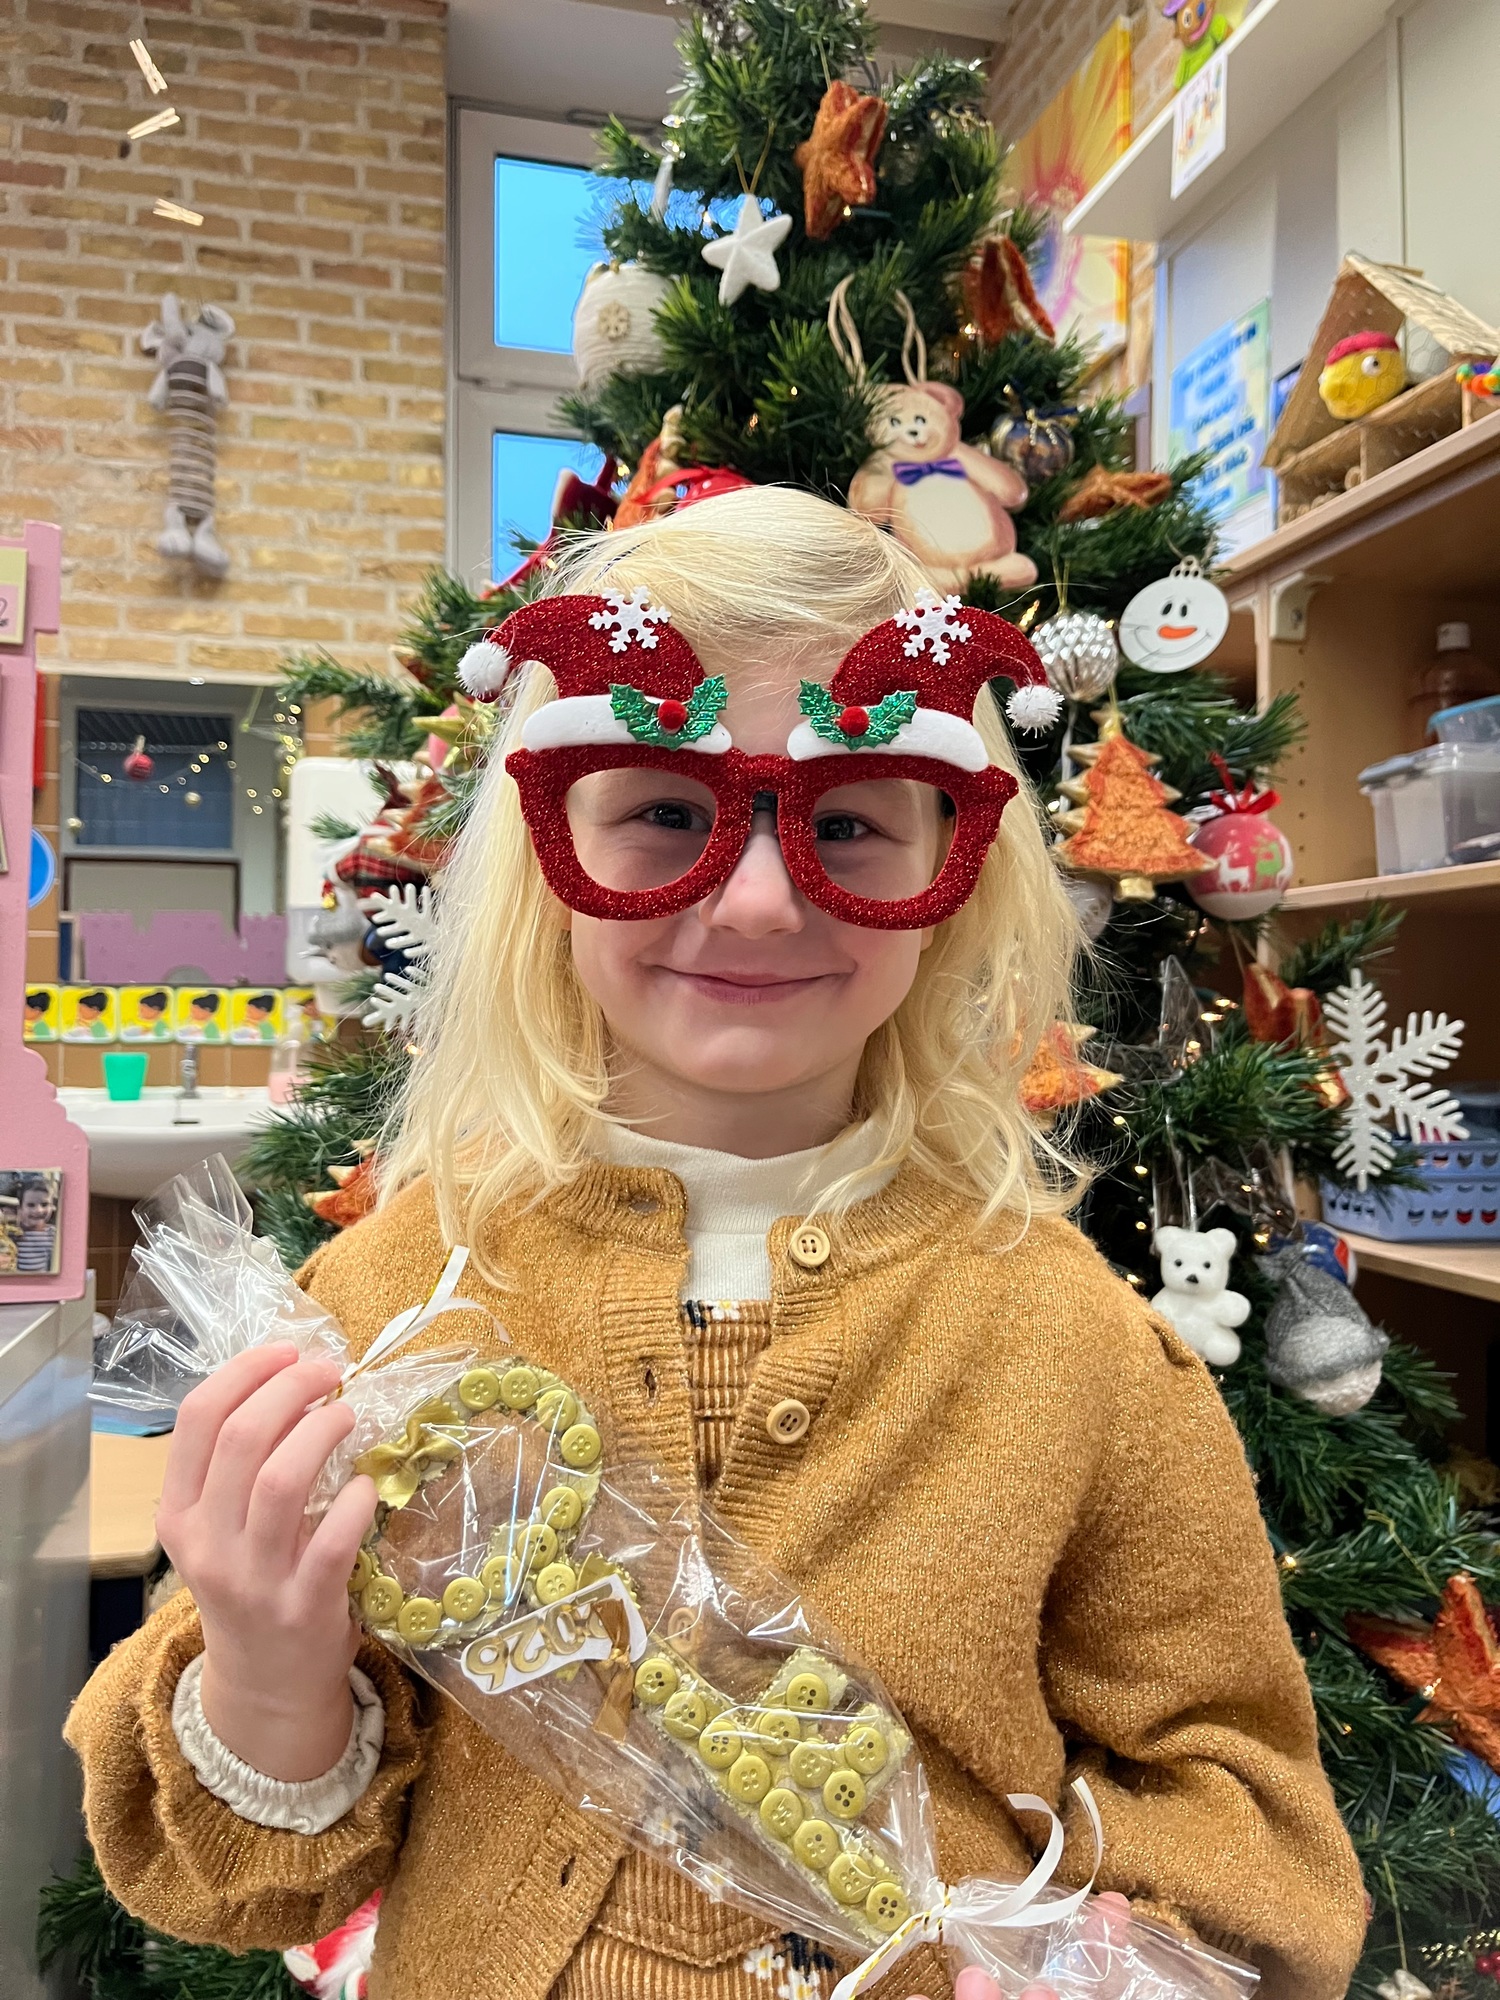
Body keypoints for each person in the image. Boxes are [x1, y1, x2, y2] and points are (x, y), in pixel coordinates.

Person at [66, 490, 1367, 2000]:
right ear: (550, 851)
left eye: (850, 822)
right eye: (668, 813)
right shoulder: (393, 1299)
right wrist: (269, 1675)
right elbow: (235, 1877)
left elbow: (1248, 1814)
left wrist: (1111, 1961)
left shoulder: (1072, 1344)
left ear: (953, 875)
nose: (755, 901)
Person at [14, 1175, 58, 1274]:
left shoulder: (53, 1234)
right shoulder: (13, 1233)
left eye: (44, 1204)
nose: (38, 1210)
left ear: (52, 1206)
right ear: (20, 1209)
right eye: (31, 1205)